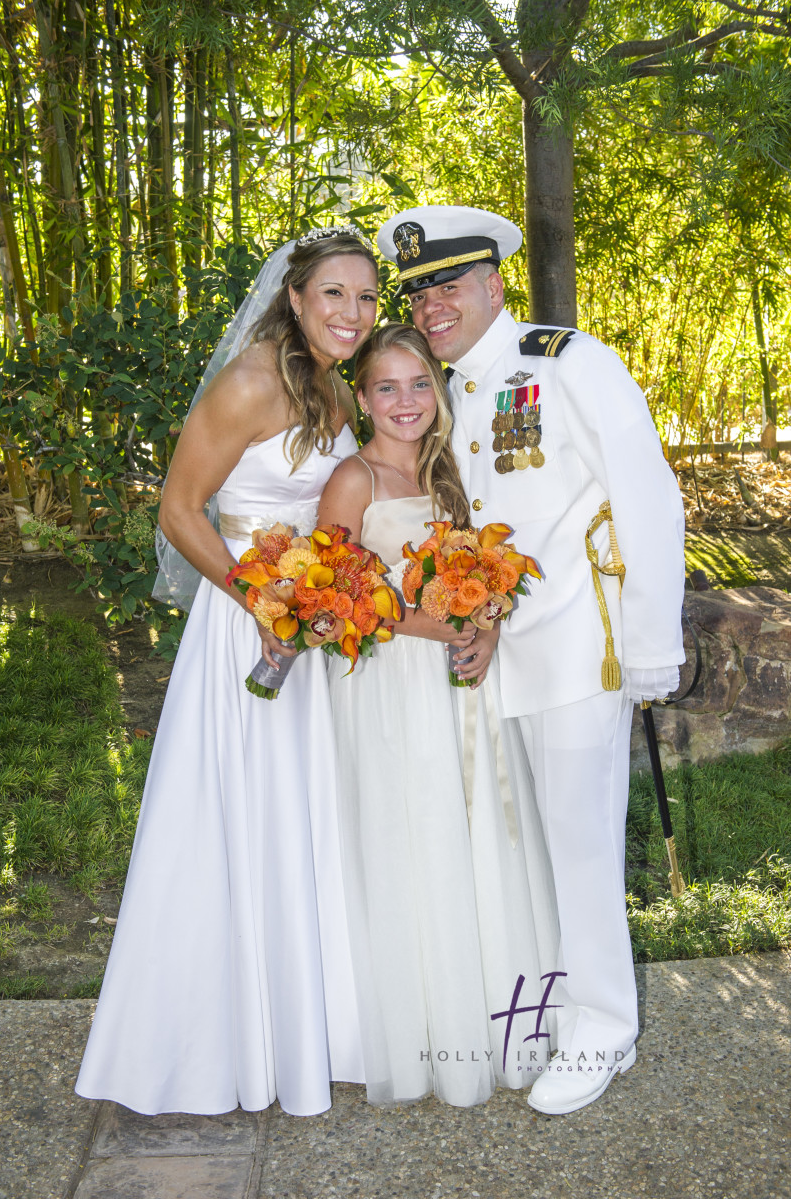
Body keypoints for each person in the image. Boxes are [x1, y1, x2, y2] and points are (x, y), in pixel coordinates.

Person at [376, 205, 686, 1115]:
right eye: (420, 290)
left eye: (448, 283)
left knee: (582, 847)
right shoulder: (450, 387)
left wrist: (651, 642)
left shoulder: (565, 362)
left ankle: (604, 1029)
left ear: (493, 282)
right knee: (538, 849)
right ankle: (565, 1003)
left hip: (577, 651)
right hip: (497, 657)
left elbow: (647, 495)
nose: (433, 304)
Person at [75, 226, 379, 1117]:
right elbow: (177, 509)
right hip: (247, 622)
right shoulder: (250, 381)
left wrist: (327, 599)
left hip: (306, 625)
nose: (352, 314)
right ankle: (214, 1038)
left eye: (365, 298)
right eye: (334, 294)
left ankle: (309, 1026)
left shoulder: (331, 385)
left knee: (306, 813)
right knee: (237, 815)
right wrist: (262, 604)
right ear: (295, 298)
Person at [318, 323, 558, 1106]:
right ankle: (428, 1030)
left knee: (484, 832)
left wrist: (486, 629)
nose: (405, 401)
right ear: (361, 397)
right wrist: (442, 626)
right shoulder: (355, 482)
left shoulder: (452, 471)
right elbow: (340, 600)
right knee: (417, 837)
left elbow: (484, 574)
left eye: (419, 383)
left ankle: (506, 1017)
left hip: (464, 684)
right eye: (385, 387)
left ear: (438, 389)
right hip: (393, 691)